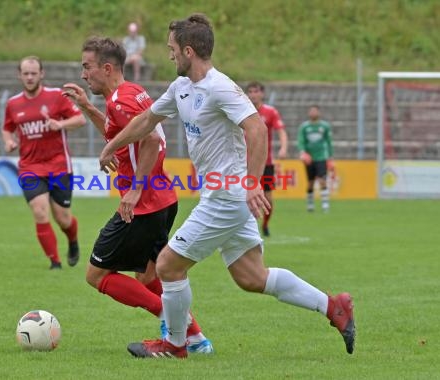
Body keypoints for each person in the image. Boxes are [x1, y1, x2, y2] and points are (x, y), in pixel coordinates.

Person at [99, 13, 355, 359]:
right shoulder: (181, 88)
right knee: (252, 277)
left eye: (172, 49)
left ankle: (176, 345)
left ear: (188, 51)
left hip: (227, 195)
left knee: (167, 266)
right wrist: (112, 145)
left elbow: (257, 129)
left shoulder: (220, 87)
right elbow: (146, 120)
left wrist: (251, 183)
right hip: (224, 195)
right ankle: (333, 306)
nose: (169, 54)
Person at [63, 37, 213, 353]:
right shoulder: (127, 94)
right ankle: (196, 339)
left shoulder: (122, 101)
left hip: (142, 205)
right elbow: (125, 135)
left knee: (96, 274)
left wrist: (134, 189)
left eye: (87, 67)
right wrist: (88, 108)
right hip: (161, 201)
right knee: (149, 277)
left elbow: (150, 141)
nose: (83, 75)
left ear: (106, 68)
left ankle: (169, 321)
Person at [2, 56, 86, 269]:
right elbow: (7, 128)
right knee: (40, 211)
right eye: (25, 73)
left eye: (33, 73)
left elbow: (80, 120)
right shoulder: (13, 103)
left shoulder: (57, 96)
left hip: (58, 165)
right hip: (30, 167)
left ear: (42, 74)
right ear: (19, 75)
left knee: (63, 218)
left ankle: (73, 241)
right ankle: (55, 262)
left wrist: (60, 124)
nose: (29, 77)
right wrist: (9, 141)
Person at [246, 81, 288, 237]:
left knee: (268, 199)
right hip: (245, 163)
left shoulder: (270, 112)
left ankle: (265, 224)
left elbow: (281, 131)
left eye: (256, 91)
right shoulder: (242, 111)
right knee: (244, 197)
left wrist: (283, 148)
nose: (253, 94)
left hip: (266, 163)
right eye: (250, 91)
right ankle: (249, 228)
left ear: (262, 93)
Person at [297, 105, 334, 212]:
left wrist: (330, 157)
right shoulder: (304, 127)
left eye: (315, 111)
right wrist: (303, 152)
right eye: (311, 111)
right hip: (309, 158)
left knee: (322, 180)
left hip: (321, 157)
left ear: (319, 113)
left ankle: (325, 205)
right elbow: (301, 141)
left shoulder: (325, 126)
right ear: (309, 113)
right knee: (310, 182)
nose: (313, 113)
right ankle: (310, 204)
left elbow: (329, 142)